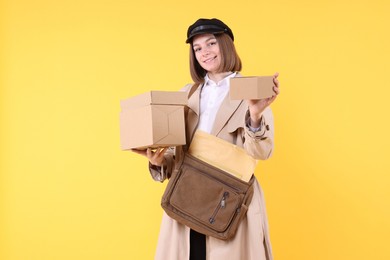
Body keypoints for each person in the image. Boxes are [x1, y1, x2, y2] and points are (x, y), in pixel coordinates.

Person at [132, 18, 280, 260]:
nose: (204, 52)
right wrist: (159, 161)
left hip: (229, 200)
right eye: (197, 48)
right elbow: (178, 154)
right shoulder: (186, 93)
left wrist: (254, 115)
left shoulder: (251, 90)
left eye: (211, 43)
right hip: (188, 197)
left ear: (226, 45)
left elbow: (262, 152)